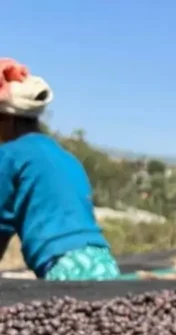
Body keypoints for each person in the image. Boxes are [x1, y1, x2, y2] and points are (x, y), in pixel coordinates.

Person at [0, 59, 120, 280]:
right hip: (104, 263)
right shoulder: (66, 157)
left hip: (63, 266)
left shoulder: (9, 156)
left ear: (7, 119)